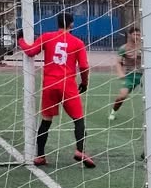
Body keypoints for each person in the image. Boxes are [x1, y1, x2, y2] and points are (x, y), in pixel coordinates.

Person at [17, 13, 95, 168]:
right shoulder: (78, 42)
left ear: (57, 23)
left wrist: (20, 40)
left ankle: (40, 156)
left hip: (50, 84)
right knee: (78, 119)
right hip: (68, 85)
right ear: (72, 24)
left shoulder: (47, 37)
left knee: (46, 120)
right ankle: (79, 150)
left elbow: (31, 51)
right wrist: (85, 82)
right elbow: (84, 66)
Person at [109, 27, 142, 122]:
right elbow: (118, 62)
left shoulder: (144, 46)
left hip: (144, 75)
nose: (137, 36)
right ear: (130, 35)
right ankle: (113, 112)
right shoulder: (123, 48)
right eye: (135, 34)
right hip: (130, 76)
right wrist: (120, 73)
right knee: (122, 96)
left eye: (139, 35)